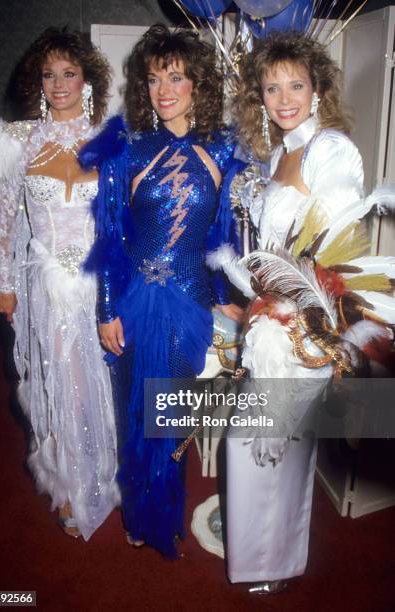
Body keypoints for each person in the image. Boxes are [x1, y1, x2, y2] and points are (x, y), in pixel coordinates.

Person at [209, 31, 395, 593]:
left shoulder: (329, 149)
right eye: (271, 88)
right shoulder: (282, 153)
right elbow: (273, 251)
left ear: (317, 89)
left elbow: (336, 248)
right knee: (262, 442)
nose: (284, 98)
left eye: (296, 84)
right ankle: (263, 556)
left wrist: (293, 310)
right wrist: (251, 305)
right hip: (271, 320)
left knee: (269, 444)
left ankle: (272, 563)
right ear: (258, 98)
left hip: (307, 323)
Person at [80, 24, 242, 557]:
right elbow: (108, 236)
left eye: (175, 77)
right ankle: (137, 511)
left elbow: (221, 238)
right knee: (134, 415)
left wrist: (224, 295)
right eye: (153, 79)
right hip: (133, 301)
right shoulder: (124, 148)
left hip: (190, 302)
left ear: (198, 83)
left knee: (171, 419)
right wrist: (106, 307)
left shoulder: (223, 150)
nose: (163, 90)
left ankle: (166, 511)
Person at [0, 27, 119, 540]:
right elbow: (5, 221)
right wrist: (3, 282)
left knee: (95, 381)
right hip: (41, 279)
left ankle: (100, 473)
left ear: (87, 80)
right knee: (55, 378)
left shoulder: (111, 138)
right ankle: (66, 486)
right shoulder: (16, 140)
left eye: (69, 73)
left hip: (96, 281)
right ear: (38, 82)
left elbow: (118, 221)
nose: (58, 84)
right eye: (48, 74)